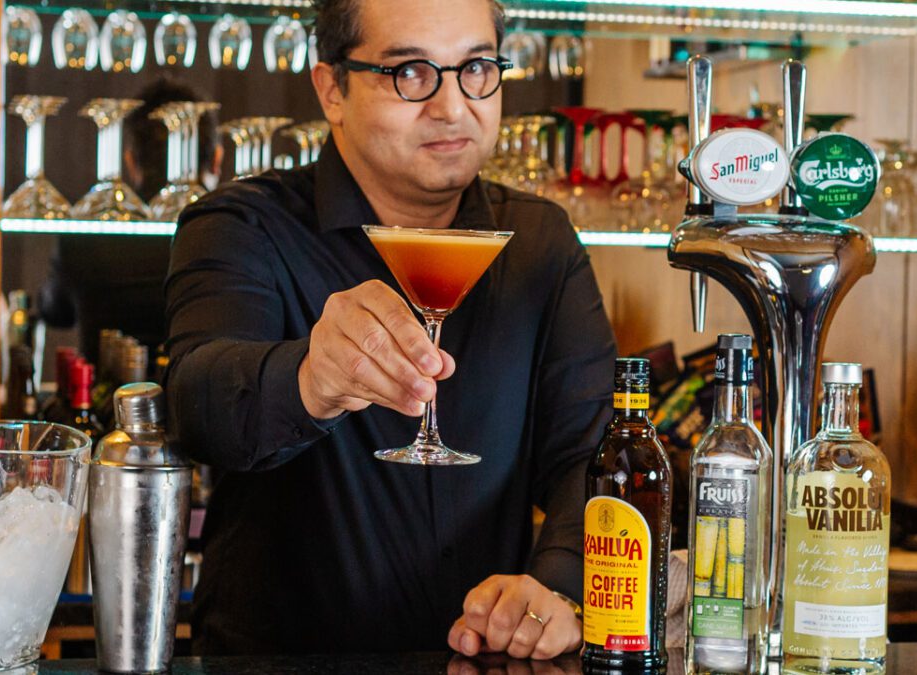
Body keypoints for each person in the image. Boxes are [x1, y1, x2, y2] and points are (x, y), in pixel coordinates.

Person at [165, 0, 617, 659]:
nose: (452, 106)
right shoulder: (243, 227)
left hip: (486, 664)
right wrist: (310, 379)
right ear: (333, 90)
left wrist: (556, 588)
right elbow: (197, 405)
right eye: (410, 72)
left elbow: (592, 452)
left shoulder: (539, 242)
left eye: (476, 69)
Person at [38, 78, 222, 361]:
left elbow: (55, 312)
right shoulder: (228, 234)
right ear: (217, 160)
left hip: (103, 400)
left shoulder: (86, 232)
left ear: (130, 161)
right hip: (206, 399)